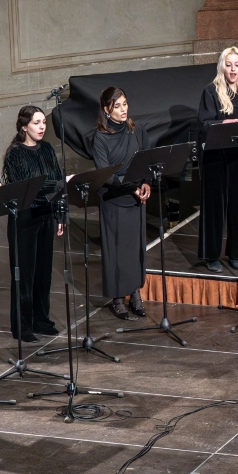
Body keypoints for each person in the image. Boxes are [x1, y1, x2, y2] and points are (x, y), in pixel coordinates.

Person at [0, 106, 64, 342]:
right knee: (24, 274)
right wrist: (56, 185)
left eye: (43, 123)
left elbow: (57, 182)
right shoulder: (14, 154)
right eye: (36, 123)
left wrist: (59, 215)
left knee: (43, 272)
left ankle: (41, 319)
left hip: (46, 215)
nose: (41, 127)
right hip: (24, 218)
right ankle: (22, 324)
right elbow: (26, 187)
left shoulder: (47, 148)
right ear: (24, 126)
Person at [198, 47, 238, 274]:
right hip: (217, 157)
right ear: (222, 66)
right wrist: (223, 125)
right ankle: (212, 255)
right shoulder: (211, 91)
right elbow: (204, 124)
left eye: (237, 65)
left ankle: (237, 253)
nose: (233, 69)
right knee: (216, 208)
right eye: (229, 64)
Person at [93, 86, 152, 320]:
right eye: (117, 106)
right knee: (116, 250)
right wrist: (132, 188)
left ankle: (135, 293)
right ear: (107, 110)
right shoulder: (100, 137)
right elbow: (106, 175)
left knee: (134, 248)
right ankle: (117, 297)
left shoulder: (136, 130)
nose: (123, 110)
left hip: (136, 196)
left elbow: (147, 157)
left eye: (125, 104)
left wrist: (146, 183)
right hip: (114, 199)